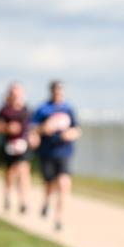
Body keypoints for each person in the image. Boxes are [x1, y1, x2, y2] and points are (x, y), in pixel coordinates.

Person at [30, 81, 81, 232]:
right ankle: (46, 202)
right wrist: (42, 129)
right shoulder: (42, 109)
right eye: (56, 91)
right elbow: (33, 129)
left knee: (64, 184)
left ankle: (59, 218)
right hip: (47, 151)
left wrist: (71, 134)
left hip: (64, 151)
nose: (59, 94)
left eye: (61, 91)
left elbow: (77, 129)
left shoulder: (68, 109)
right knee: (49, 183)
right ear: (51, 92)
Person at [0, 83, 34, 214]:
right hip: (8, 146)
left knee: (24, 170)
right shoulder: (3, 110)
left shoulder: (27, 110)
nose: (16, 96)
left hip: (23, 145)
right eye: (13, 93)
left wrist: (34, 136)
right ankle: (8, 195)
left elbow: (32, 127)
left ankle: (23, 200)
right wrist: (7, 128)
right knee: (10, 173)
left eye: (18, 93)